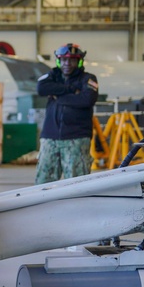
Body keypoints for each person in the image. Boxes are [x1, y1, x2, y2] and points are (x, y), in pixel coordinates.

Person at [35, 43, 100, 184]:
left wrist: (58, 97)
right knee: (42, 184)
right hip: (49, 139)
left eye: (72, 60)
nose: (67, 63)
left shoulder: (88, 78)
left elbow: (87, 99)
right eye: (64, 60)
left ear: (78, 61)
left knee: (77, 185)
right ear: (59, 60)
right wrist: (71, 89)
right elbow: (41, 88)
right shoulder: (53, 75)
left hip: (76, 139)